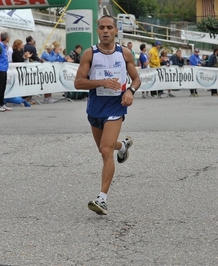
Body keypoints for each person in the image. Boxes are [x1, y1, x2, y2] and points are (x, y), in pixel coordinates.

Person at [74, 15, 141, 215]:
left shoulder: (125, 53)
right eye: (102, 27)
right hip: (95, 108)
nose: (105, 31)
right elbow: (78, 83)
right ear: (97, 30)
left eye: (109, 27)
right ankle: (123, 146)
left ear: (115, 30)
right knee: (106, 148)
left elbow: (136, 79)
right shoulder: (90, 54)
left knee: (105, 151)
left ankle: (102, 199)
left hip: (115, 106)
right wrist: (100, 82)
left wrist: (130, 91)